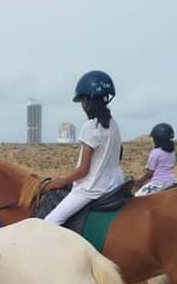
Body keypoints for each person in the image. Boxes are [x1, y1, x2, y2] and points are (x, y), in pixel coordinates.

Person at [44, 70, 125, 226]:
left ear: (88, 100)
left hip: (92, 187)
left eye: (82, 101)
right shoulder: (114, 125)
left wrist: (62, 181)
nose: (82, 105)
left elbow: (84, 170)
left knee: (50, 222)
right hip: (114, 184)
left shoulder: (90, 127)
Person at [133, 122, 177, 196]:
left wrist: (138, 182)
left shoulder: (155, 152)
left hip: (159, 183)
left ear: (158, 139)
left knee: (137, 197)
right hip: (172, 181)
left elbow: (150, 173)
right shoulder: (172, 152)